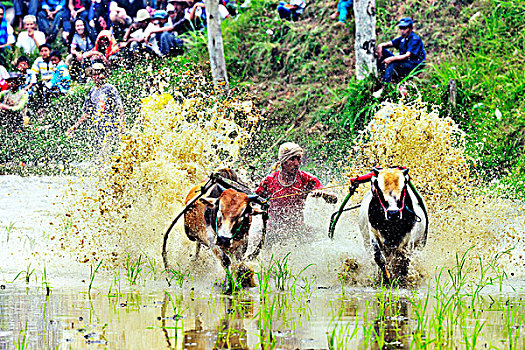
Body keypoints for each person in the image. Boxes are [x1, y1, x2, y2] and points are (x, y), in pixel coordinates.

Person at [255, 142, 337, 240]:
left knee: (321, 237)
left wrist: (323, 195)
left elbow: (334, 199)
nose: (297, 163)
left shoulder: (306, 179)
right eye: (292, 159)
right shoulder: (269, 181)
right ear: (283, 162)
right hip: (272, 232)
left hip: (297, 232)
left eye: (298, 159)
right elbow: (252, 201)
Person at [67, 61, 124, 163]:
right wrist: (75, 126)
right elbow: (87, 112)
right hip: (98, 128)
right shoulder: (92, 91)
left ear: (104, 75)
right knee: (99, 156)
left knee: (106, 153)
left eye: (99, 73)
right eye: (94, 74)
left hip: (110, 127)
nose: (97, 76)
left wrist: (121, 125)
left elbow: (120, 108)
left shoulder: (110, 88)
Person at [374, 17, 426, 97]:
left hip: (413, 65)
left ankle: (385, 86)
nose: (402, 30)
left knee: (393, 63)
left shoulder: (414, 39)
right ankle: (383, 75)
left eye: (404, 28)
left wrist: (391, 59)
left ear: (410, 28)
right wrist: (381, 45)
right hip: (404, 62)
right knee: (383, 51)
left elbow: (407, 55)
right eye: (401, 28)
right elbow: (391, 43)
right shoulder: (402, 38)